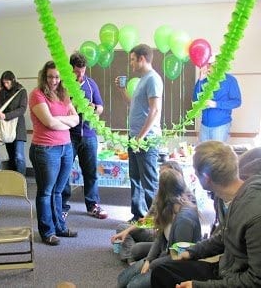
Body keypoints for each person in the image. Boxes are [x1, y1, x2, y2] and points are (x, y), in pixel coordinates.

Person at [151, 141, 261, 288]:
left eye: (195, 172)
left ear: (206, 177)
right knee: (162, 272)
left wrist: (198, 286)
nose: (194, 175)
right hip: (226, 268)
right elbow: (224, 237)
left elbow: (255, 280)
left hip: (239, 278)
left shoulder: (255, 214)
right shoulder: (223, 199)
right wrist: (192, 252)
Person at [117, 168, 202, 288]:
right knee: (122, 280)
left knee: (133, 285)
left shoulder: (184, 220)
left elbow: (177, 258)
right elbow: (160, 238)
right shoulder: (168, 208)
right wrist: (148, 260)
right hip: (164, 255)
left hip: (177, 266)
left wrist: (152, 264)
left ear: (163, 191)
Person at [29, 61, 79, 246]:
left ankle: (60, 227)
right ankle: (47, 231)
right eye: (50, 76)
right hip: (45, 149)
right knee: (46, 192)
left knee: (58, 191)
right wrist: (63, 120)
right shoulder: (37, 94)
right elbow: (49, 123)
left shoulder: (63, 94)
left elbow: (76, 120)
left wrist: (58, 119)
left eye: (57, 76)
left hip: (66, 147)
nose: (54, 80)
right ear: (44, 76)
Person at [115, 44, 163, 222]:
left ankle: (155, 221)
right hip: (135, 138)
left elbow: (155, 111)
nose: (131, 64)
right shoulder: (143, 79)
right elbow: (135, 105)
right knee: (135, 178)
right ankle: (139, 216)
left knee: (149, 181)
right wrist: (122, 91)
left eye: (133, 60)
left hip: (146, 140)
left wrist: (140, 137)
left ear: (142, 59)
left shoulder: (152, 79)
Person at [111, 161, 192, 264]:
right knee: (122, 228)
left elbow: (159, 224)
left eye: (164, 173)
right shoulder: (161, 193)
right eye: (161, 173)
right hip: (156, 231)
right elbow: (148, 220)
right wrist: (128, 230)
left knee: (136, 249)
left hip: (168, 240)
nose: (161, 177)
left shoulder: (186, 196)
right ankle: (130, 258)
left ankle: (131, 255)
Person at [61, 52, 107, 220]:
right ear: (70, 69)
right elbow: (59, 107)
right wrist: (73, 105)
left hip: (89, 134)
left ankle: (92, 205)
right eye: (77, 72)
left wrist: (93, 107)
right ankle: (62, 206)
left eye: (82, 71)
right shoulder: (64, 84)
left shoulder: (91, 84)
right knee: (64, 171)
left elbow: (100, 108)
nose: (80, 75)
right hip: (68, 135)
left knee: (91, 172)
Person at [193, 54, 242, 142]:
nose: (208, 67)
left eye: (210, 64)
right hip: (204, 125)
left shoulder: (230, 80)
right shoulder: (204, 80)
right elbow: (195, 100)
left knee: (218, 154)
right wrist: (200, 79)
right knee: (203, 154)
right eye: (207, 64)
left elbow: (237, 102)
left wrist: (215, 104)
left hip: (221, 125)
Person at [0, 71, 28, 175]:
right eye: (4, 83)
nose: (6, 85)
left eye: (8, 82)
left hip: (18, 127)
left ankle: (21, 180)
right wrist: (2, 115)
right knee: (11, 156)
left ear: (13, 80)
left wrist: (6, 116)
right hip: (7, 128)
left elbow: (22, 109)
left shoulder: (21, 91)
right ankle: (13, 181)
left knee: (19, 156)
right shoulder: (1, 93)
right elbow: (0, 109)